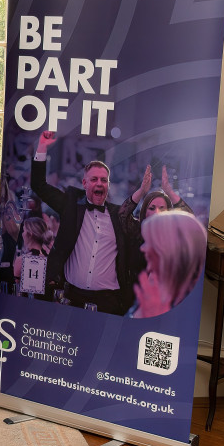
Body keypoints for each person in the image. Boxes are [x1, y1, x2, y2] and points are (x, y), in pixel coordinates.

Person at [30, 130, 135, 315]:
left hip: (109, 302)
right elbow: (38, 185)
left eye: (104, 180)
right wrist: (42, 148)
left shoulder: (119, 215)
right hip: (72, 298)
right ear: (84, 183)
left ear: (109, 185)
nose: (99, 183)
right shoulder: (71, 206)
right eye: (94, 179)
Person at [118, 164, 193, 278]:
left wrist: (169, 191)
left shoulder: (173, 234)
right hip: (135, 292)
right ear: (144, 212)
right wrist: (142, 190)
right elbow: (122, 215)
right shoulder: (137, 231)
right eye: (152, 208)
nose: (157, 212)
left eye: (162, 208)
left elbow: (190, 221)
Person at [129, 210, 207, 318]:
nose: (142, 248)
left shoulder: (192, 311)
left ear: (167, 250)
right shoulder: (155, 288)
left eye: (149, 242)